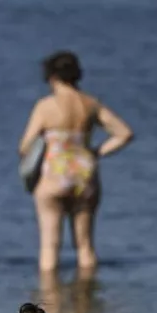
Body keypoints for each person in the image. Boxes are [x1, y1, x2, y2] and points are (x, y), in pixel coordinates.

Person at [19, 51, 133, 272]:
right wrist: (97, 151)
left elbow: (24, 145)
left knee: (50, 246)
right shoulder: (91, 104)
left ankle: (48, 299)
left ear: (51, 77)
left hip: (53, 174)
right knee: (85, 246)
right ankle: (88, 298)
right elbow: (124, 133)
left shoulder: (45, 106)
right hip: (84, 172)